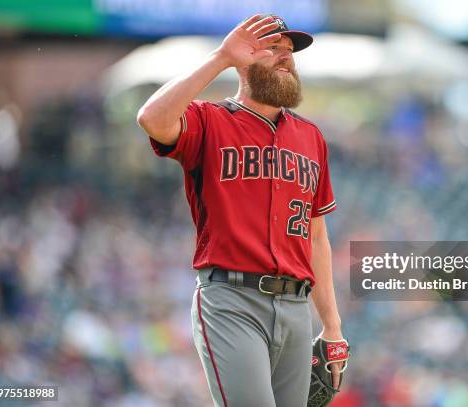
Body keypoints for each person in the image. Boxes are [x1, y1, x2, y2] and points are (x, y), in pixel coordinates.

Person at [137, 14, 345, 406]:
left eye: (290, 51)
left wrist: (332, 329)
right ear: (244, 58)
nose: (286, 57)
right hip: (232, 299)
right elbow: (152, 119)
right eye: (273, 49)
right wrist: (219, 58)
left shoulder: (311, 137)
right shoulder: (209, 119)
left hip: (297, 308)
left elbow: (316, 236)